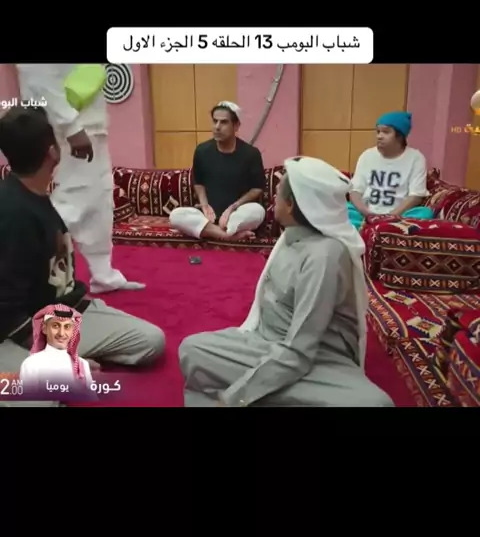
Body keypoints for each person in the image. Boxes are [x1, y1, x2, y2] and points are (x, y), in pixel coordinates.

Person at [178, 156, 394, 407]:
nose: (273, 199)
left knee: (375, 404)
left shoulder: (324, 257)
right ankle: (271, 389)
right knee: (193, 350)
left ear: (290, 204)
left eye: (278, 193)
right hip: (265, 345)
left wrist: (233, 399)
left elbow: (300, 348)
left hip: (318, 359)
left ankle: (262, 390)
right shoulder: (291, 236)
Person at [0, 106, 165, 408]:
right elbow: (7, 311)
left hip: (58, 314)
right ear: (52, 151)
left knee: (150, 342)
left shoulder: (35, 194)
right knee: (45, 400)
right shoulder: (13, 214)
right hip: (12, 332)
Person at [15, 64, 145, 293]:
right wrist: (72, 127)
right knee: (73, 199)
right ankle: (22, 268)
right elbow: (37, 74)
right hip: (64, 126)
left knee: (98, 197)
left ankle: (103, 274)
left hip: (89, 125)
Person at [170, 101, 266, 242]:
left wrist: (233, 208)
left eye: (224, 122)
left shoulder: (251, 153)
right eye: (215, 121)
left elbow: (257, 188)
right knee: (176, 215)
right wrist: (204, 205)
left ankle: (222, 229)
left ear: (236, 126)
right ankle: (227, 235)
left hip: (237, 213)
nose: (217, 127)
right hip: (208, 216)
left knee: (257, 211)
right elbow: (198, 182)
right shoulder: (202, 151)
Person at [347, 110, 434, 230]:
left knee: (425, 213)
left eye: (386, 132)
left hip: (399, 215)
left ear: (400, 136)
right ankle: (367, 227)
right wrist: (366, 213)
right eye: (378, 132)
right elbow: (355, 191)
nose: (379, 136)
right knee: (341, 208)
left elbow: (416, 196)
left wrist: (390, 216)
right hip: (366, 214)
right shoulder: (367, 155)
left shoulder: (416, 158)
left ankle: (372, 229)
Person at [20, 304, 94, 398]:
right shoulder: (31, 364)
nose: (61, 333)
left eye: (67, 327)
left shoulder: (82, 364)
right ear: (44, 329)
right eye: (55, 326)